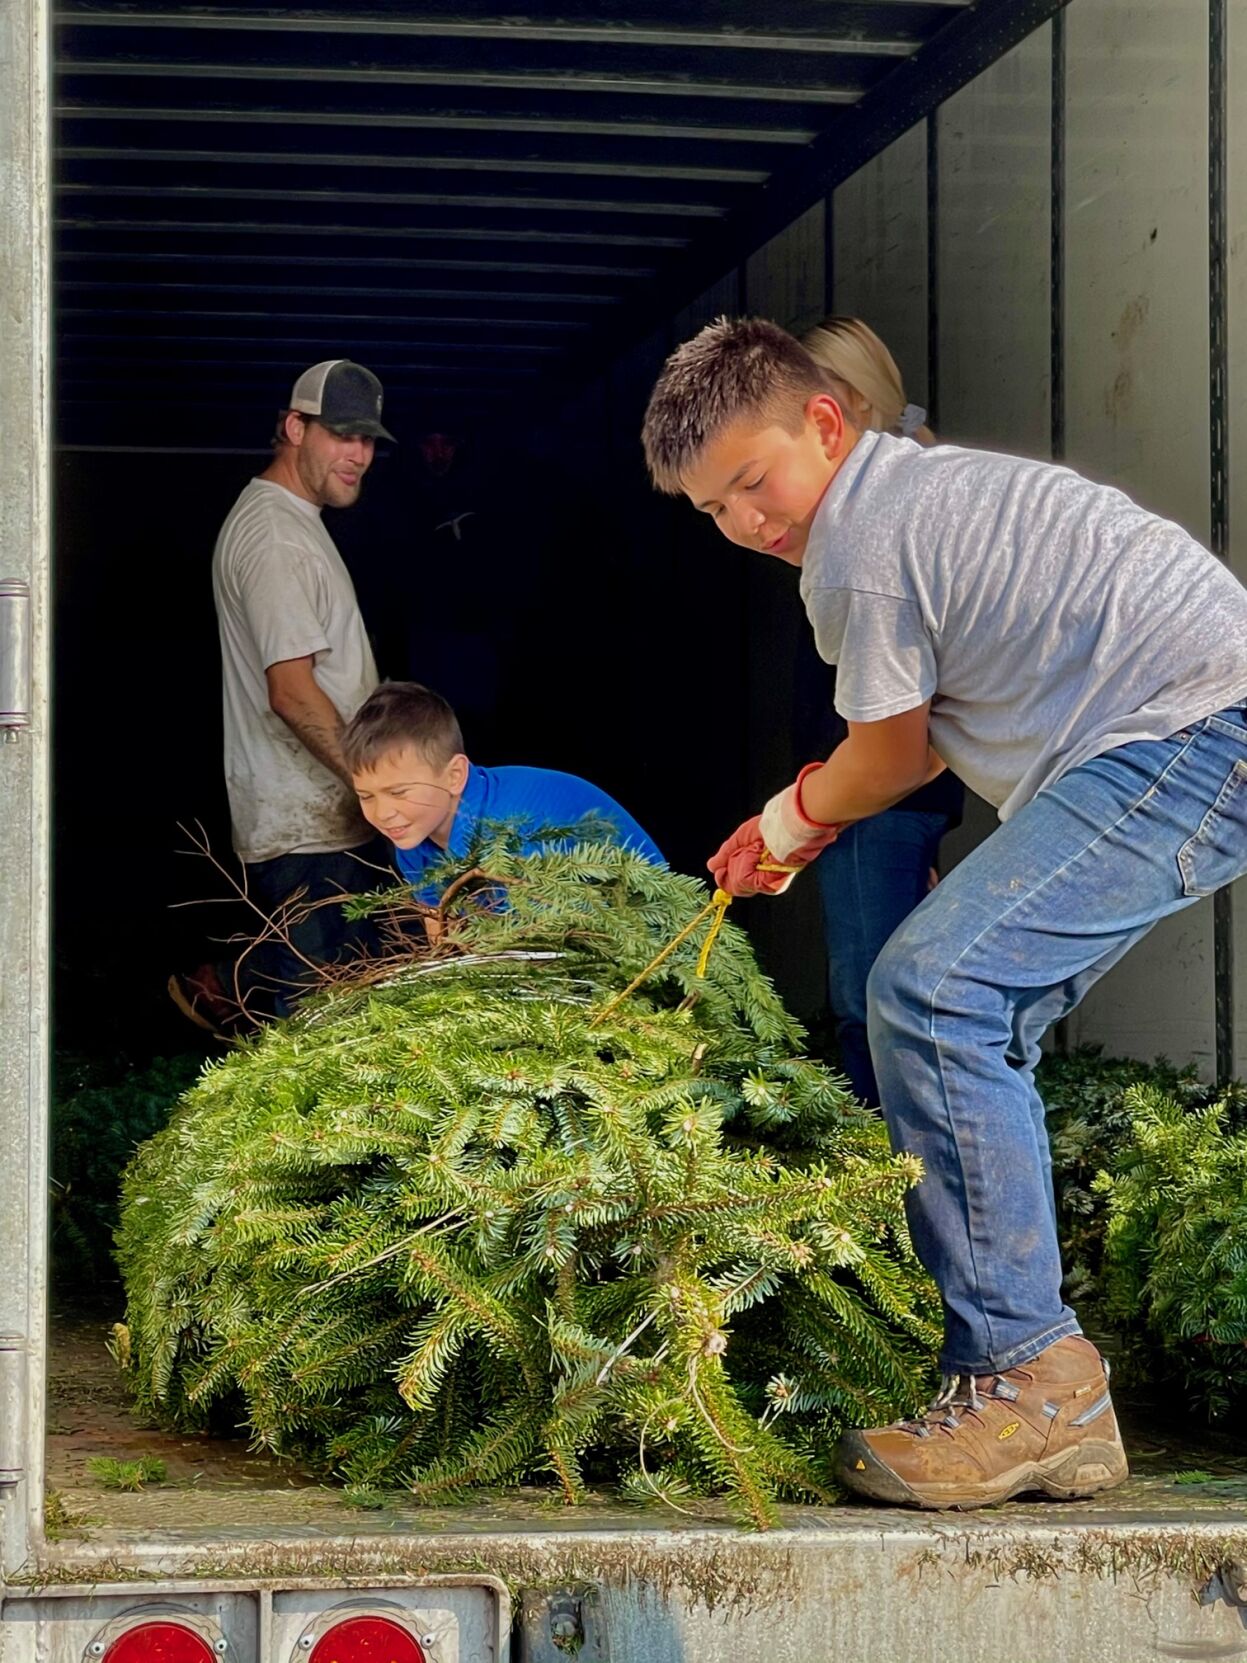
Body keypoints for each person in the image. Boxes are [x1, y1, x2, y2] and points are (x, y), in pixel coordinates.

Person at [641, 315, 1247, 1510]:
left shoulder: (861, 544)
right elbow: (907, 755)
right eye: (715, 510)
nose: (748, 523)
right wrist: (796, 826)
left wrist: (780, 823)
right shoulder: (904, 503)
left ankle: (1034, 1379)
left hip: (1188, 729)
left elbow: (889, 752)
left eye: (754, 483)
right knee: (967, 1005)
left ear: (825, 422)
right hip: (1177, 731)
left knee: (933, 989)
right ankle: (1016, 1390)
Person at [169, 360, 392, 1032]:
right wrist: (378, 786)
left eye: (369, 440)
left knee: (335, 1006)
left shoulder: (295, 521)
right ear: (294, 427)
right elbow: (292, 693)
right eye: (342, 435)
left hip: (323, 826)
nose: (359, 454)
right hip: (308, 835)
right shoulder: (273, 536)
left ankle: (220, 988)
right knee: (318, 1034)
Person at [796, 318, 964, 1105]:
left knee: (868, 997)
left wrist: (797, 815)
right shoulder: (919, 496)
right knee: (888, 984)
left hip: (875, 798)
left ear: (840, 410)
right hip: (892, 793)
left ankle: (886, 1167)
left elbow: (894, 734)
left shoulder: (873, 531)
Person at [342, 681, 664, 905]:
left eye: (398, 792)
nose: (383, 813)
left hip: (639, 942)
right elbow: (437, 917)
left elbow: (539, 946)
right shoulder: (412, 832)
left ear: (455, 776)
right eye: (366, 796)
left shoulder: (513, 829)